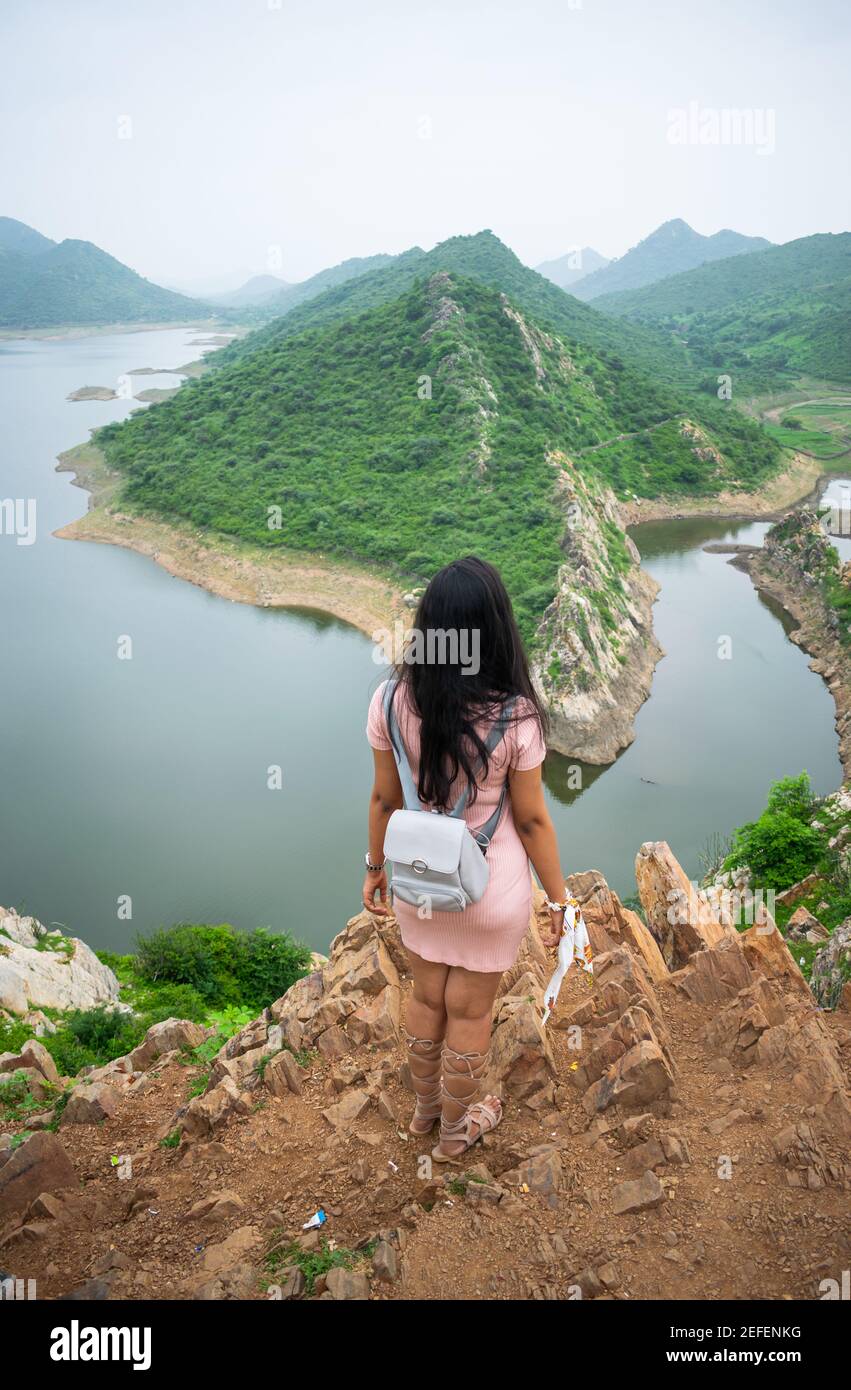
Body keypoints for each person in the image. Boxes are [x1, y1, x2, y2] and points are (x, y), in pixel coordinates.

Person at [363, 555, 570, 1161]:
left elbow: (384, 797)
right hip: (488, 888)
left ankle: (424, 1115)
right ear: (498, 630)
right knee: (469, 1013)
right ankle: (456, 1133)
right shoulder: (516, 716)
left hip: (419, 882)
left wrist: (375, 867)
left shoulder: (390, 699)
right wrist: (560, 899)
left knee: (427, 999)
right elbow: (532, 820)